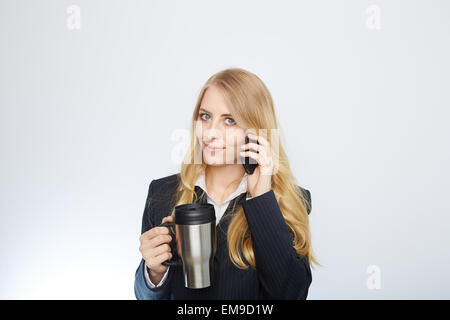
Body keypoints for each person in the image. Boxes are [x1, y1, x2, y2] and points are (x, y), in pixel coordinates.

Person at [134, 67, 318, 299]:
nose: (210, 133)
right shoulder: (162, 193)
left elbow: (292, 294)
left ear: (257, 131)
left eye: (230, 120)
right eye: (205, 116)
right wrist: (153, 273)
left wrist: (261, 198)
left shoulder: (288, 201)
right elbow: (144, 296)